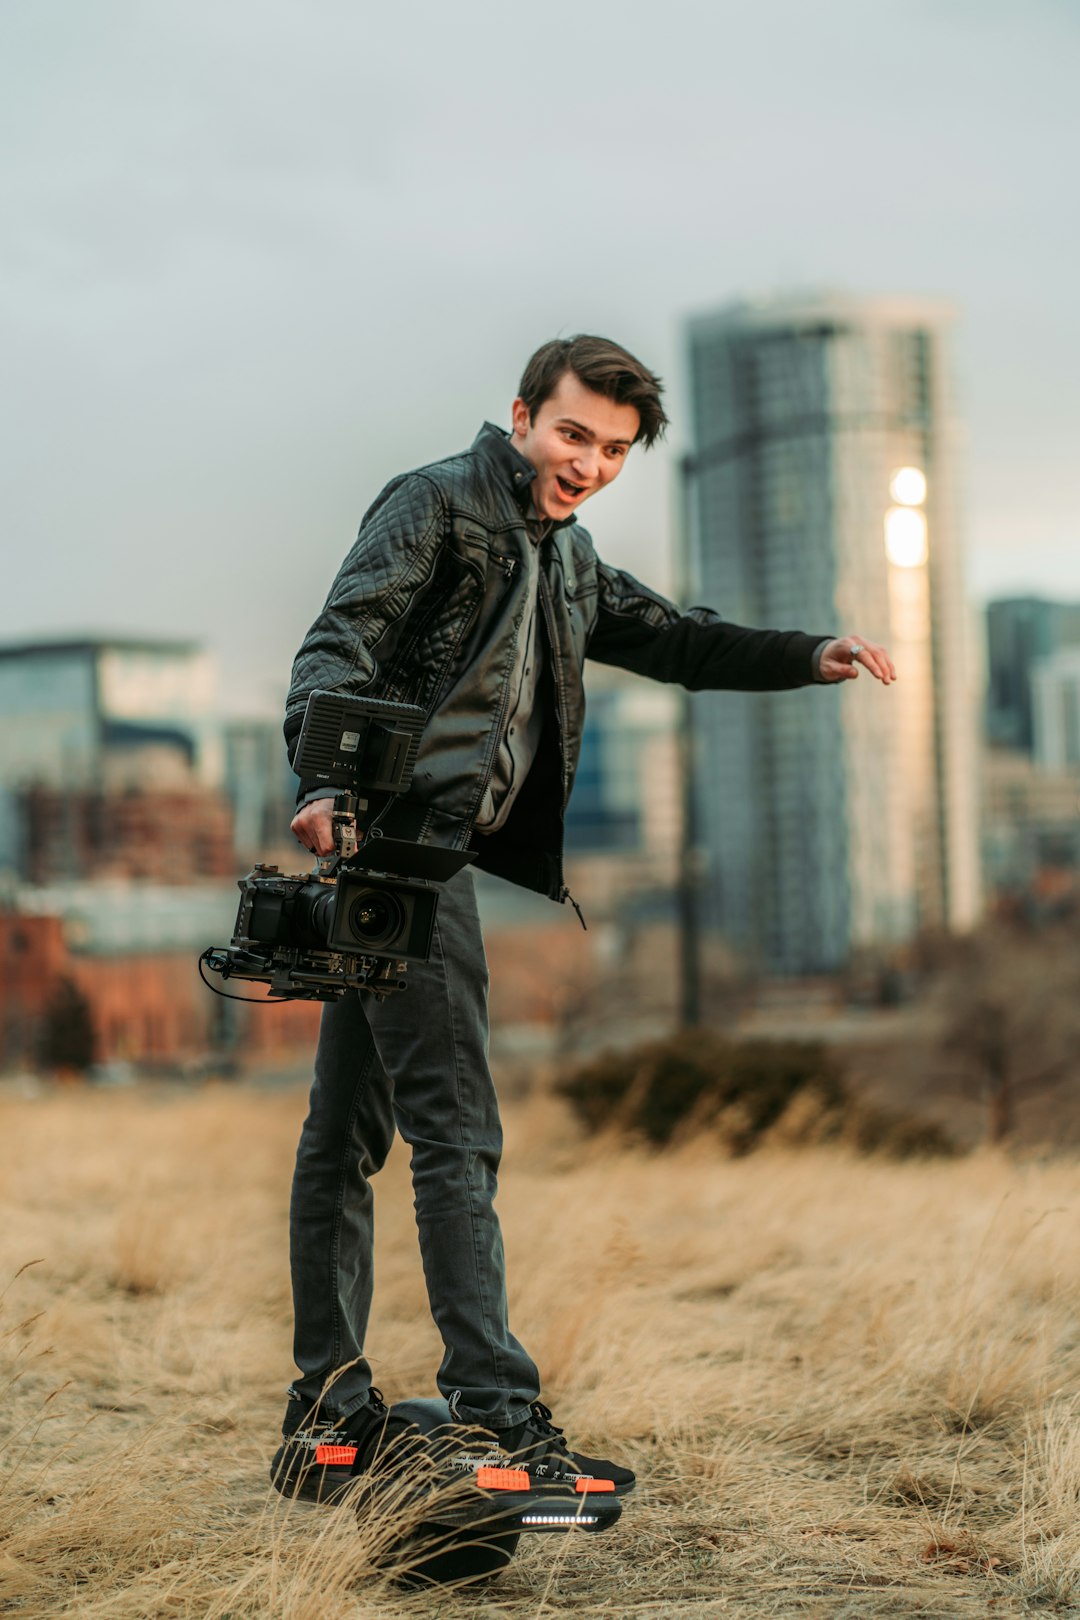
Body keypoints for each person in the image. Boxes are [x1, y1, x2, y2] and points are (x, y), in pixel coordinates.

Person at [272, 334, 896, 1503]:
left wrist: (813, 652)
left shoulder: (567, 557)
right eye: (574, 436)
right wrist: (321, 785)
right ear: (522, 416)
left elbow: (676, 638)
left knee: (345, 1137)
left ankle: (327, 1417)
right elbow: (336, 644)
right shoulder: (435, 508)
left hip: (422, 855)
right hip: (394, 850)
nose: (590, 463)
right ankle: (499, 1423)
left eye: (614, 450)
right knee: (455, 1131)